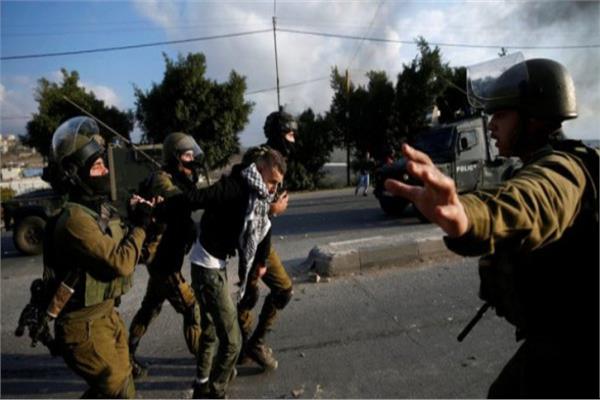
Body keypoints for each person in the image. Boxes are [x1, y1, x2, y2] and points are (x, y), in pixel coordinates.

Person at [385, 54, 599, 398]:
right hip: (558, 335)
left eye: (501, 115)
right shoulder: (537, 162)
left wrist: (468, 216)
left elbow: (529, 202)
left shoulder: (563, 171)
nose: (490, 126)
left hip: (578, 346)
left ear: (532, 119)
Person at [160, 147, 285, 398]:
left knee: (209, 331)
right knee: (233, 342)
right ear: (260, 170)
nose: (273, 189)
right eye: (272, 182)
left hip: (212, 265)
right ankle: (215, 392)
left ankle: (202, 383)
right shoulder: (234, 188)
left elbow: (261, 227)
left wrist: (261, 258)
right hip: (208, 269)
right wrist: (163, 203)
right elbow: (196, 198)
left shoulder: (256, 194)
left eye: (277, 184)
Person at [43, 116, 153, 398]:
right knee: (114, 385)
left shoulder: (98, 211)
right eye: (97, 167)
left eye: (105, 164)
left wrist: (151, 224)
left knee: (123, 387)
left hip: (107, 315)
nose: (105, 172)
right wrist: (141, 226)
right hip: (83, 325)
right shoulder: (75, 220)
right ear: (75, 175)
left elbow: (134, 254)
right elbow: (121, 263)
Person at [128, 132, 202, 379]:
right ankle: (205, 361)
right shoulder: (161, 179)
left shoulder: (178, 177)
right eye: (187, 155)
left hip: (166, 256)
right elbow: (179, 199)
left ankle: (126, 353)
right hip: (163, 259)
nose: (192, 160)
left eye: (192, 154)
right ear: (175, 157)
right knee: (191, 308)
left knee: (150, 307)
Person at [235, 110, 296, 372]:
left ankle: (247, 344)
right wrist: (273, 209)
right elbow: (249, 204)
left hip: (260, 236)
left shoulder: (278, 159)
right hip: (249, 237)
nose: (293, 140)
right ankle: (250, 343)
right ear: (278, 133)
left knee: (271, 292)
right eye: (290, 134)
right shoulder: (258, 158)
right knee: (254, 295)